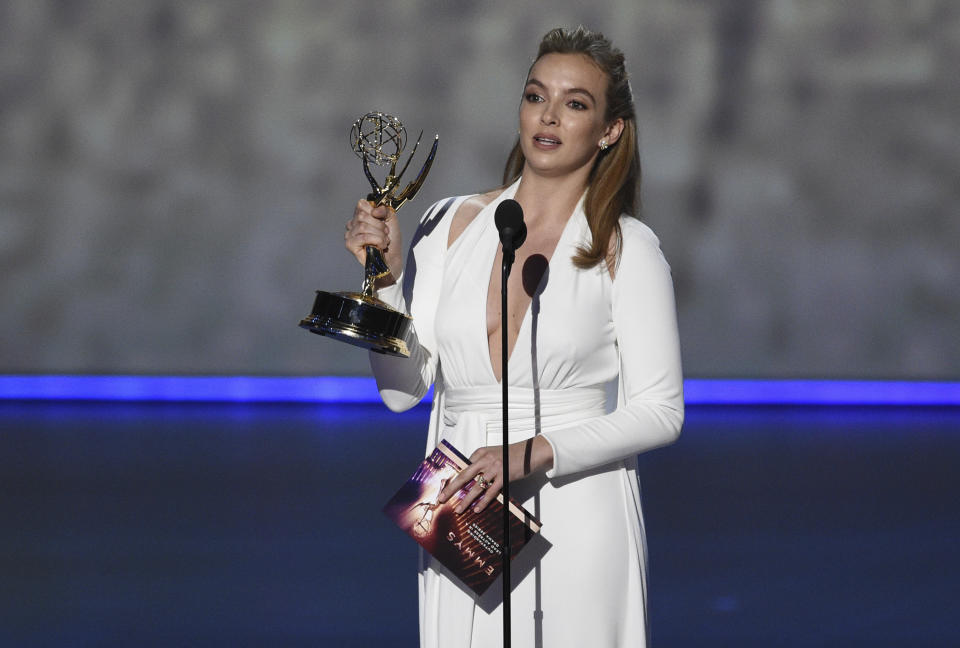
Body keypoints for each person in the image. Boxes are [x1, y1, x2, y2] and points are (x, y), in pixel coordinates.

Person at [344, 26, 683, 648]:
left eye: (575, 103)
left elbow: (661, 412)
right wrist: (387, 280)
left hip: (576, 504)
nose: (548, 116)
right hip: (461, 505)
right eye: (535, 96)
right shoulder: (449, 224)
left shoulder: (626, 249)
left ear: (610, 130)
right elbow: (402, 392)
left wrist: (528, 453)